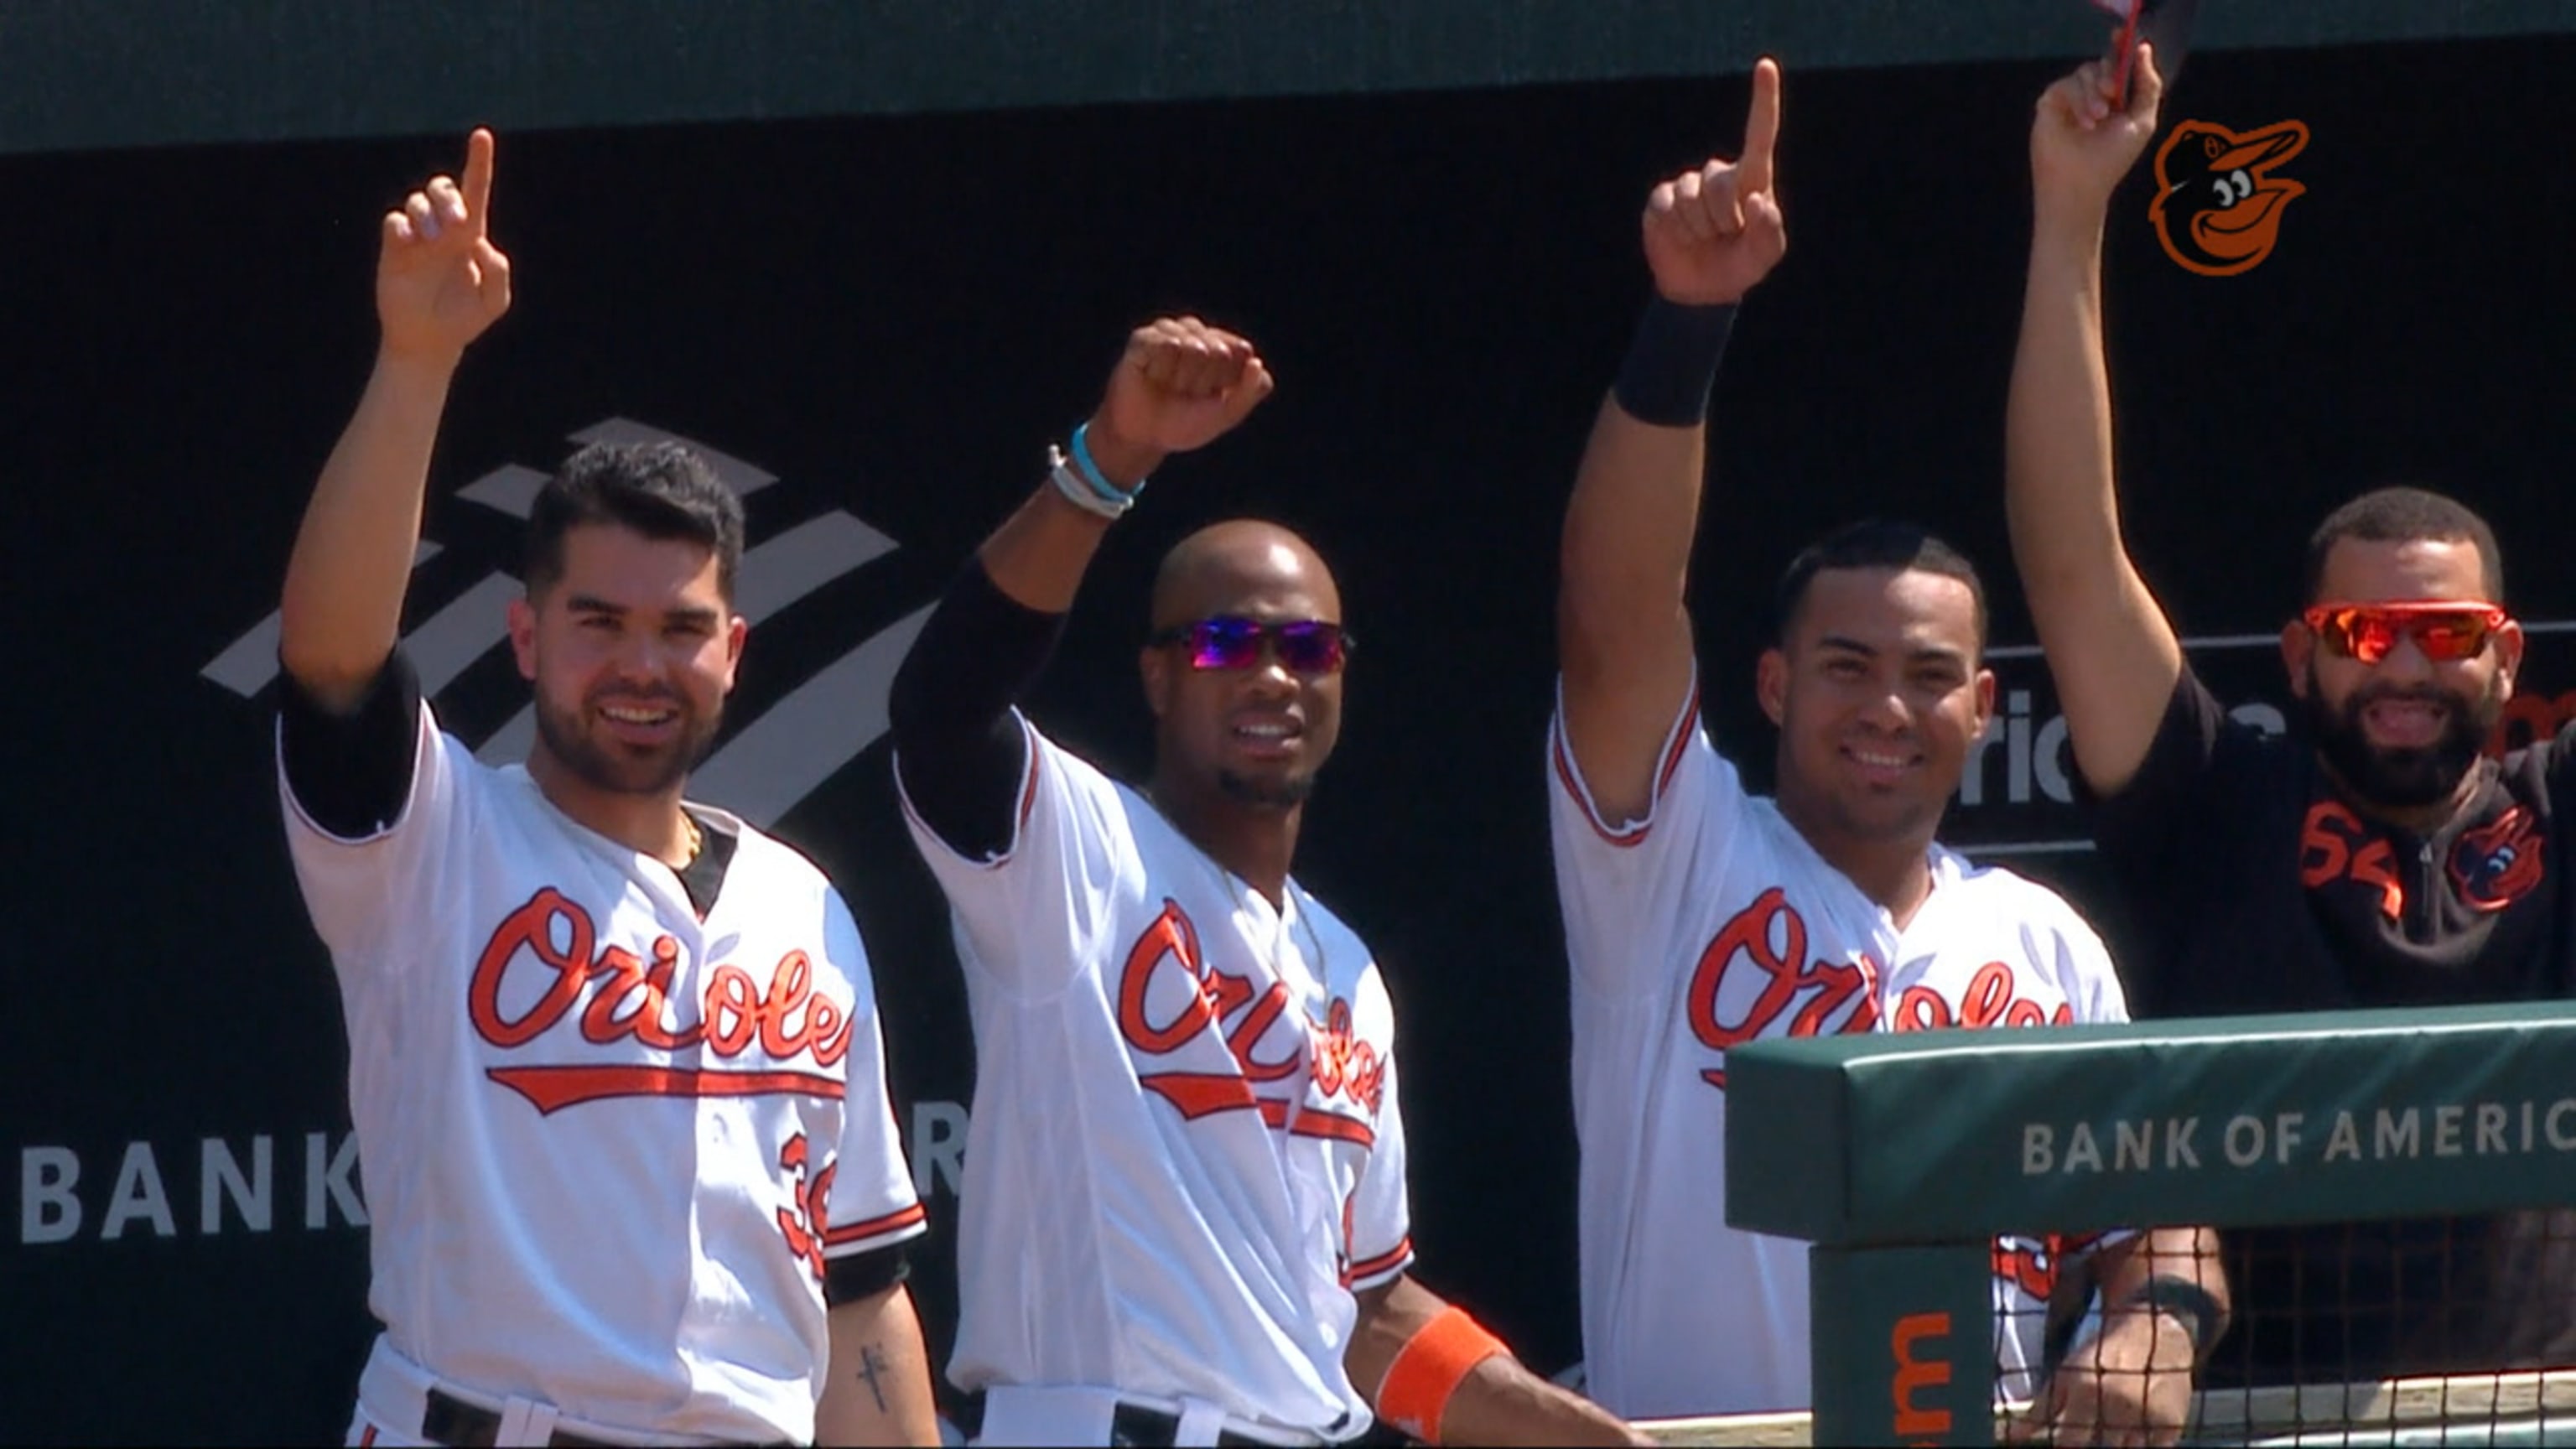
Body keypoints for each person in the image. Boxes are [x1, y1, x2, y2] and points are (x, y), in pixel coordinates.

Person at [1547, 58, 2230, 1439]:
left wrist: (2159, 1323)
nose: (1887, 709)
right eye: (1847, 668)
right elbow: (1613, 624)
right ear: (1774, 684)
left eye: (1930, 678)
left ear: (1984, 710)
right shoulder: (1675, 857)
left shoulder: (2045, 945)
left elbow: (2158, 1213)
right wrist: (1689, 323)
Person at [274, 130, 937, 1446]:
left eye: (682, 627)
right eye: (598, 623)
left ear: (733, 652)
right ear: (525, 640)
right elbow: (333, 653)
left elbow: (860, 1293)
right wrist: (418, 364)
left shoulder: (805, 910)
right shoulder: (436, 843)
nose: (643, 664)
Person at [885, 315, 1646, 1448]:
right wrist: (1112, 461)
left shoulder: (1345, 970)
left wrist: (1571, 1429)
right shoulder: (1077, 856)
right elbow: (942, 708)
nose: (1272, 675)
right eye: (1222, 644)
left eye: (1309, 650)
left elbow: (1370, 1311)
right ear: (1154, 675)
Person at [2007, 37, 2576, 1386]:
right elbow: (2072, 557)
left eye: (2444, 637)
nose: (2404, 668)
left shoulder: (2560, 811)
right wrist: (2072, 207)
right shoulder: (2224, 803)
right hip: (2272, 1415)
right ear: (2300, 655)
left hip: (2540, 1410)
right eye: (2364, 633)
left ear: (2505, 660)